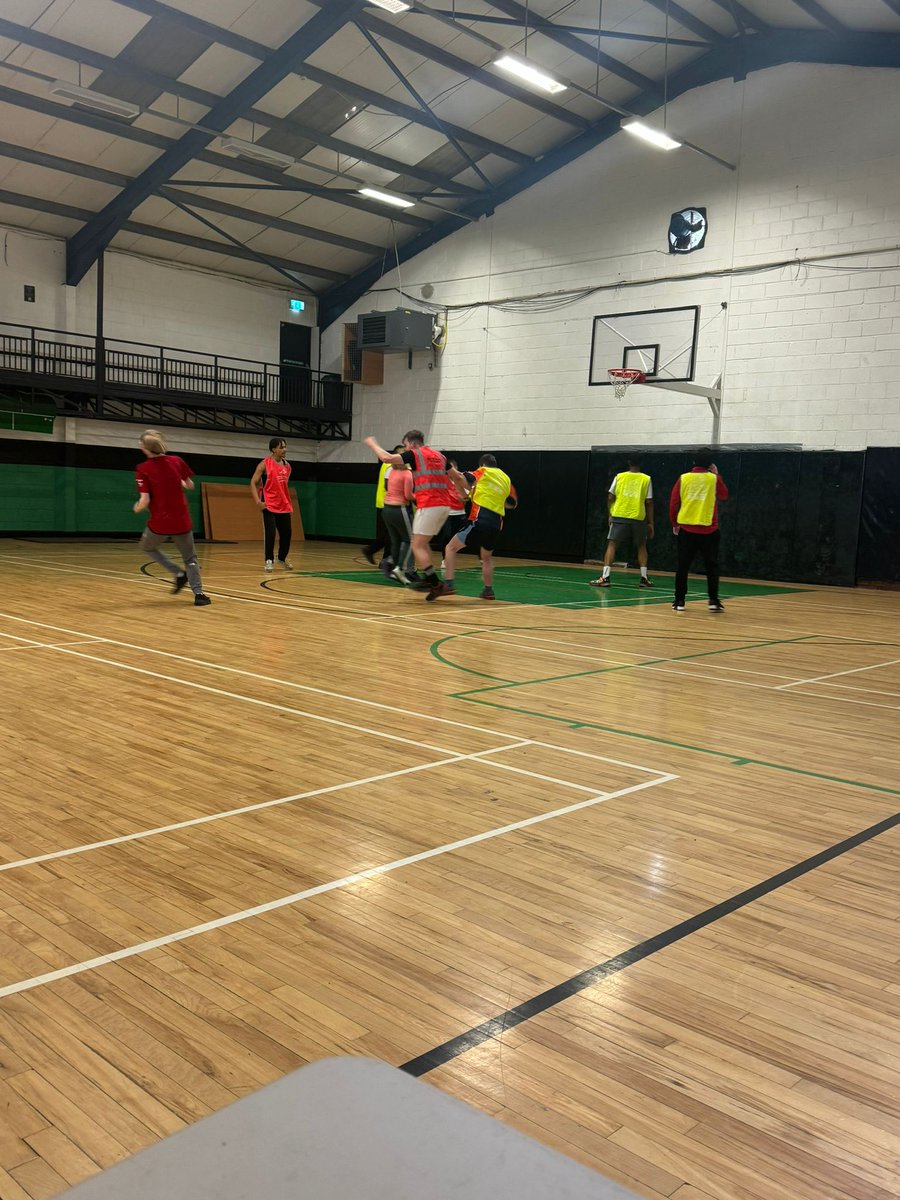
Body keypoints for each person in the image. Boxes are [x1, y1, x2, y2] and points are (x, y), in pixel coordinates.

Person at [364, 430, 450, 594]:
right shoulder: (420, 466)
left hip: (389, 507)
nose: (405, 449)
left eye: (405, 445)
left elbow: (386, 459)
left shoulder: (395, 469)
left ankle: (400, 567)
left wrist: (372, 443)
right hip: (418, 506)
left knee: (404, 541)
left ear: (412, 443)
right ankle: (405, 569)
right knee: (412, 541)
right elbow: (457, 477)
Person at [133, 430, 211, 607]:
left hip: (160, 523)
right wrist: (179, 481)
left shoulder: (143, 469)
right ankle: (199, 594)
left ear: (145, 448)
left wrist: (136, 508)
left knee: (148, 547)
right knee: (190, 558)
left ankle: (177, 573)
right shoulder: (177, 461)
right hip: (182, 521)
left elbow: (144, 501)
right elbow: (190, 485)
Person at [428, 454, 517, 602]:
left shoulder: (482, 472)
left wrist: (455, 477)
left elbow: (462, 479)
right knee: (486, 557)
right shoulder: (505, 478)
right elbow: (512, 503)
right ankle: (488, 591)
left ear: (482, 465)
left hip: (480, 518)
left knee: (450, 548)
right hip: (496, 523)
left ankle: (449, 584)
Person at [669, 447, 729, 613]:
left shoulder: (684, 478)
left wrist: (675, 523)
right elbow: (724, 495)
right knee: (712, 567)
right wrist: (717, 474)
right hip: (709, 530)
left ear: (694, 461)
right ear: (710, 464)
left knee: (683, 567)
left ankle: (679, 601)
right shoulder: (713, 479)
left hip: (687, 530)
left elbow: (673, 504)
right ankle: (713, 601)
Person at [589, 455, 654, 589]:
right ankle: (644, 578)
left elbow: (610, 497)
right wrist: (650, 522)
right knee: (642, 545)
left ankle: (605, 577)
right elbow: (649, 502)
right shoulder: (646, 479)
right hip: (638, 516)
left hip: (619, 515)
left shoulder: (619, 477)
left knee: (612, 545)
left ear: (628, 463)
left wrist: (610, 514)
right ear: (641, 463)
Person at [250, 438, 294, 572]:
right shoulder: (264, 464)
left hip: (284, 505)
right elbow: (253, 482)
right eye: (281, 447)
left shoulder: (287, 466)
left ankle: (281, 558)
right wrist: (258, 501)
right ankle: (268, 560)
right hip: (269, 504)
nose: (284, 450)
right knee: (270, 533)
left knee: (287, 533)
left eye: (285, 447)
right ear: (274, 449)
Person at [380, 456, 414, 583]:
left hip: (386, 509)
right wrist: (419, 496)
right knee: (411, 539)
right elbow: (408, 495)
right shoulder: (407, 473)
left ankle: (395, 569)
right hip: (399, 509)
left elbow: (388, 488)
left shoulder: (392, 471)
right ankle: (400, 569)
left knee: (396, 541)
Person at [360, 453, 392, 567]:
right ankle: (384, 558)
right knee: (391, 534)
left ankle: (372, 551)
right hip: (388, 503)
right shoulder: (392, 465)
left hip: (384, 503)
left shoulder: (386, 464)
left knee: (389, 534)